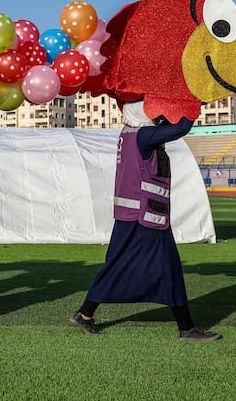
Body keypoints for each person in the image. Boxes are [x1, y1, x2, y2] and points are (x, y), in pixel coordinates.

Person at [69, 101, 221, 341]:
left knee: (120, 263)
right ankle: (186, 327)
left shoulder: (130, 133)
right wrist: (192, 104)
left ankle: (86, 313)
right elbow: (180, 128)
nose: (158, 112)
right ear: (143, 113)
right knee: (168, 268)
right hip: (147, 216)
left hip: (132, 214)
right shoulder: (145, 135)